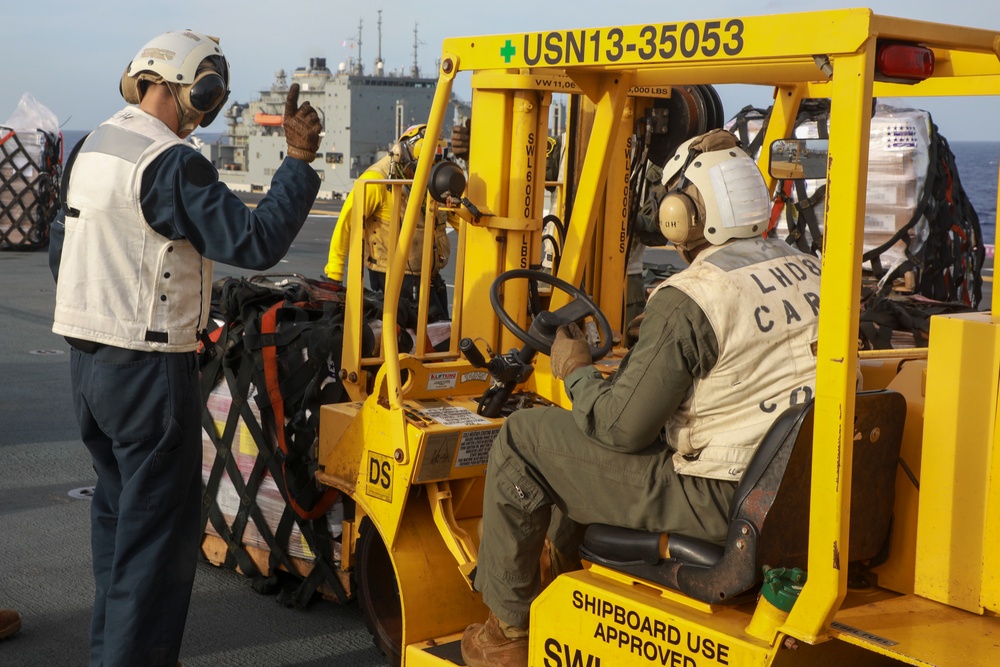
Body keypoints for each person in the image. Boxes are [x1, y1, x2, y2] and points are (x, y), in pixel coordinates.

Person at [461, 129, 821, 667]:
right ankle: (564, 585)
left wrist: (576, 369)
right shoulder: (807, 267)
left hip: (718, 495)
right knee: (575, 445)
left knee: (525, 438)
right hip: (798, 487)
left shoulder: (692, 298)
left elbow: (618, 429)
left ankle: (508, 634)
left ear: (683, 212)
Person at [49, 30, 322, 667]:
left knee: (118, 530)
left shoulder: (91, 146)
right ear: (194, 86)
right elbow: (254, 242)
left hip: (88, 368)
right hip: (147, 374)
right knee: (158, 547)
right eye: (209, 92)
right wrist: (299, 161)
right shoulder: (171, 160)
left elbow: (68, 251)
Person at [324, 124, 451, 321]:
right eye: (420, 168)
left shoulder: (432, 181)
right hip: (392, 276)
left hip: (428, 274)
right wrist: (334, 274)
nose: (425, 176)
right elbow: (346, 224)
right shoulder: (376, 181)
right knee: (434, 336)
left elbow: (459, 217)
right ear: (402, 154)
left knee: (441, 331)